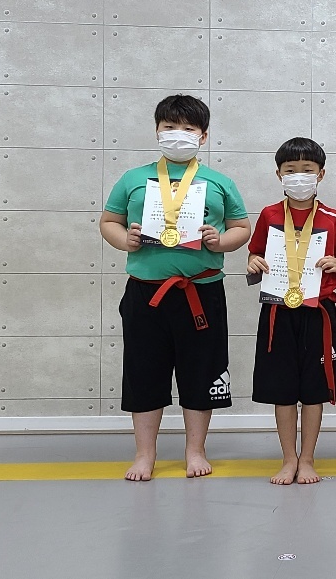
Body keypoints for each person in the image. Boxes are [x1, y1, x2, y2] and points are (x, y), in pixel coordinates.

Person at [100, 94, 250, 481]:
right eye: (169, 127)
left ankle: (195, 450)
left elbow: (241, 228)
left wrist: (220, 241)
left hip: (201, 291)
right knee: (143, 371)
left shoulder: (219, 182)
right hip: (146, 293)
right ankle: (144, 454)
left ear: (203, 135)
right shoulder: (133, 179)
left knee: (201, 370)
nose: (178, 134)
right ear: (157, 131)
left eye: (188, 128)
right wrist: (125, 240)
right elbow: (108, 221)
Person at [246, 137, 336, 485]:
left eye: (307, 169)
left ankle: (307, 458)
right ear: (279, 174)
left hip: (318, 311)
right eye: (291, 170)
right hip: (278, 311)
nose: (299, 176)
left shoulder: (332, 217)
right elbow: (254, 253)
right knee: (282, 389)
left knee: (313, 389)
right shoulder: (269, 214)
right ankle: (288, 458)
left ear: (320, 174)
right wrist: (254, 262)